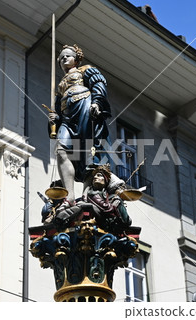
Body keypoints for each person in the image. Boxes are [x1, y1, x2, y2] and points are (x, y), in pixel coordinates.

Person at [49, 44, 111, 204]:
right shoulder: (61, 86)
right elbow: (57, 109)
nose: (63, 59)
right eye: (61, 58)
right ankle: (69, 195)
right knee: (61, 150)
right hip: (68, 118)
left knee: (87, 150)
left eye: (67, 56)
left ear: (76, 59)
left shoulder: (86, 70)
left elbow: (99, 84)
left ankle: (87, 192)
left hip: (84, 107)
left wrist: (96, 103)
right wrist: (54, 119)